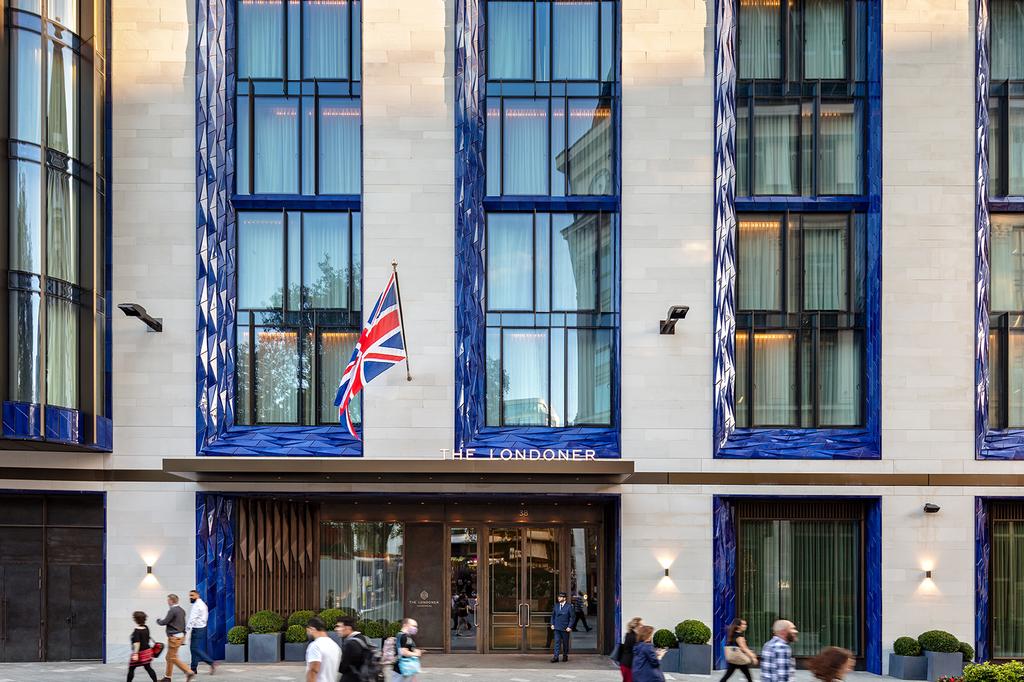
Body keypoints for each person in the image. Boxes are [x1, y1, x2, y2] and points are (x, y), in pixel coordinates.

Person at [156, 594, 194, 682]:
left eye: (168, 600)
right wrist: (184, 636)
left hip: (174, 637)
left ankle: (188, 671)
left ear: (171, 601)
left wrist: (158, 621)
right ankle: (167, 677)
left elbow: (165, 622)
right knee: (168, 657)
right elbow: (183, 624)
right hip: (180, 636)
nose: (167, 602)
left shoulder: (172, 610)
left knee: (172, 658)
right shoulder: (181, 610)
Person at [186, 590, 216, 676]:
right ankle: (193, 669)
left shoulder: (197, 605)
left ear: (197, 595)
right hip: (201, 628)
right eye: (190, 595)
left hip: (197, 629)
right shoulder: (202, 604)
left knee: (194, 648)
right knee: (193, 649)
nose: (190, 597)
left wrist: (186, 631)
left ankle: (210, 662)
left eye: (192, 595)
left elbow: (192, 619)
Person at [304, 616, 341, 682]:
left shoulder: (315, 645)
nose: (307, 633)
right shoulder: (335, 646)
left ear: (312, 629)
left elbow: (313, 670)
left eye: (307, 631)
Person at [721, 618, 758, 682]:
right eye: (743, 624)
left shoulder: (733, 634)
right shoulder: (739, 636)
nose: (745, 626)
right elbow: (744, 648)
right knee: (748, 677)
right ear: (738, 626)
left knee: (726, 676)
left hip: (734, 659)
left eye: (745, 624)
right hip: (739, 659)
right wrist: (753, 657)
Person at [335, 615, 370, 682]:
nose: (336, 629)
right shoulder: (362, 638)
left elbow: (343, 667)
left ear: (348, 628)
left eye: (339, 626)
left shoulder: (350, 644)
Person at [127, 611, 158, 682]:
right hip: (147, 652)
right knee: (148, 668)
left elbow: (137, 643)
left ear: (136, 620)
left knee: (131, 668)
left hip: (140, 653)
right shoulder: (146, 628)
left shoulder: (137, 631)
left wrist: (135, 654)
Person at [550, 591, 573, 663]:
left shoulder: (569, 606)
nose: (559, 598)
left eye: (560, 597)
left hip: (565, 628)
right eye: (558, 597)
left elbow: (572, 618)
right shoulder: (556, 605)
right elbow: (553, 616)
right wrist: (552, 624)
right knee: (557, 642)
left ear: (564, 598)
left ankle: (565, 655)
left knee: (565, 643)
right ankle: (556, 657)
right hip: (557, 627)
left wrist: (569, 626)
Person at [617, 617, 643, 682]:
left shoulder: (629, 634)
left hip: (625, 663)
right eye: (641, 625)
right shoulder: (634, 637)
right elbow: (637, 651)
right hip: (628, 665)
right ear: (637, 626)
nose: (642, 627)